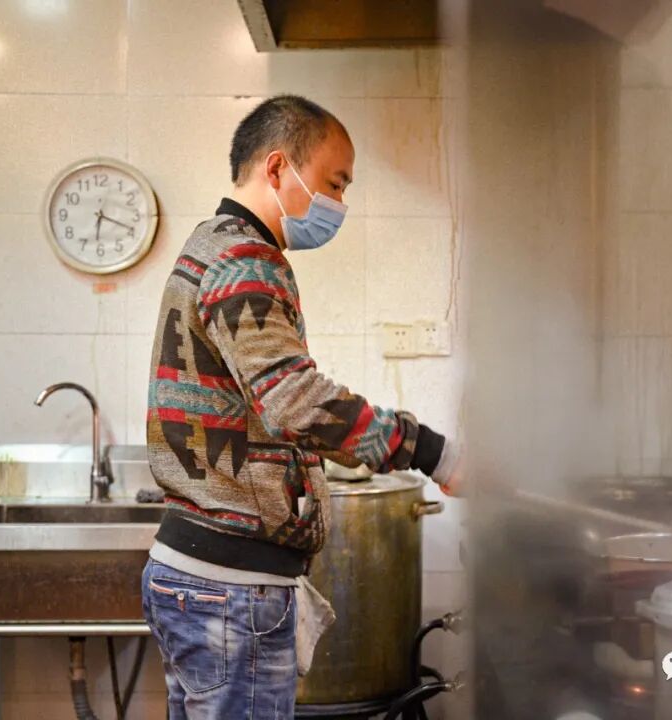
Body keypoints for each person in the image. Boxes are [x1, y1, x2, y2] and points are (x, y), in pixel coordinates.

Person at [140, 94, 460, 719]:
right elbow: (294, 400)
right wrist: (432, 451)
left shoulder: (211, 244)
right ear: (278, 167)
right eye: (335, 183)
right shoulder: (244, 260)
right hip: (230, 591)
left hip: (204, 583)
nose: (340, 203)